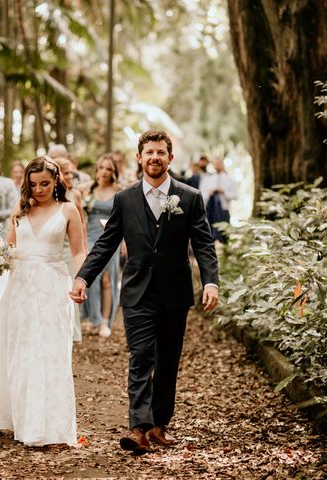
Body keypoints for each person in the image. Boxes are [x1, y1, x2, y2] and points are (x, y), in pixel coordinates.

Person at [70, 130, 219, 454]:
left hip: (174, 293)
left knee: (167, 361)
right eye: (148, 152)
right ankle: (137, 428)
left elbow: (204, 244)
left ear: (170, 158)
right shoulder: (125, 199)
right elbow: (106, 244)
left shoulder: (189, 197)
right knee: (141, 357)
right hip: (137, 292)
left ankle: (158, 425)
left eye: (160, 153)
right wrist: (83, 279)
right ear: (139, 158)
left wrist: (210, 281)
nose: (154, 157)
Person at [0, 157, 87, 446]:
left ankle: (49, 424)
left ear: (56, 181)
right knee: (21, 351)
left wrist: (81, 280)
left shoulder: (68, 210)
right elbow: (9, 249)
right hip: (20, 287)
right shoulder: (19, 211)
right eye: (33, 184)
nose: (39, 189)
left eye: (45, 183)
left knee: (49, 351)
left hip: (52, 285)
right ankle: (22, 418)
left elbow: (78, 252)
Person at [78, 154, 122, 338]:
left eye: (108, 169)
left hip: (111, 238)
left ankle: (105, 321)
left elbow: (125, 218)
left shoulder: (120, 191)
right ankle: (92, 317)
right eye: (101, 168)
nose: (104, 172)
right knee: (90, 278)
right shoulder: (86, 190)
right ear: (97, 170)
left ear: (114, 173)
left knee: (107, 279)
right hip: (90, 236)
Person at [56, 156, 87, 343]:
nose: (68, 176)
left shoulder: (75, 195)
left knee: (70, 288)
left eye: (70, 173)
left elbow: (82, 223)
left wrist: (84, 248)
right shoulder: (49, 195)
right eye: (65, 172)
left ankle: (72, 332)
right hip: (53, 247)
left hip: (70, 248)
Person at [199, 157, 237, 243]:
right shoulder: (207, 179)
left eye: (219, 163)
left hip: (224, 211)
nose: (218, 165)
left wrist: (224, 192)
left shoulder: (229, 179)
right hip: (210, 211)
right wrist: (209, 194)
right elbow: (201, 194)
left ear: (223, 165)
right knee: (210, 234)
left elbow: (235, 195)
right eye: (216, 164)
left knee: (225, 234)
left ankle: (225, 252)